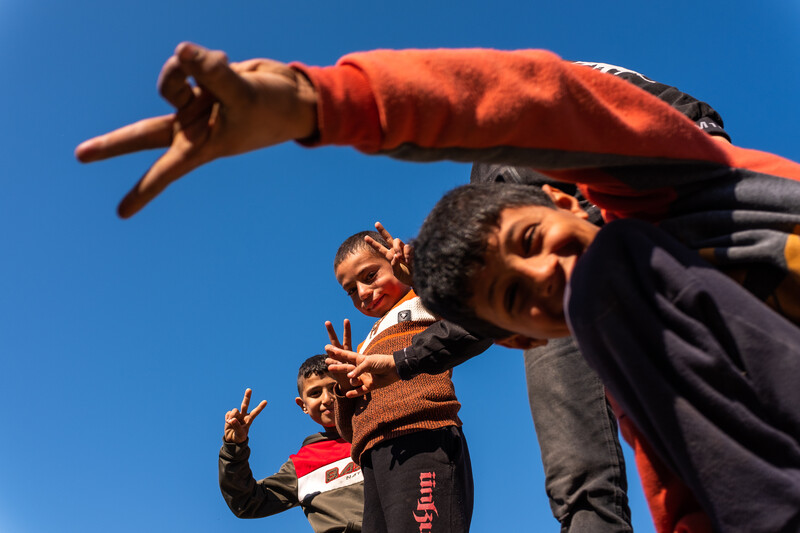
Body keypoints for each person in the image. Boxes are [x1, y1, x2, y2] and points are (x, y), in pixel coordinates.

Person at [75, 43, 800, 531]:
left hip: (426, 437)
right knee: (580, 468)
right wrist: (377, 367)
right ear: (516, 331)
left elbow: (527, 105)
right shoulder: (626, 354)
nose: (543, 273)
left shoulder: (673, 197)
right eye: (516, 298)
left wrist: (315, 104)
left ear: (567, 199)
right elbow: (699, 488)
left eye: (531, 239)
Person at [326, 229, 473, 533]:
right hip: (374, 457)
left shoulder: (421, 300)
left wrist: (420, 278)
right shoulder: (366, 344)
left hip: (421, 438)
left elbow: (467, 314)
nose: (363, 293)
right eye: (351, 290)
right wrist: (344, 390)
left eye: (369, 276)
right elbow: (347, 431)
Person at [218, 356, 364, 532]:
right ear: (303, 405)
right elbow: (246, 501)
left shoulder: (378, 433)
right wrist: (233, 448)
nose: (327, 399)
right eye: (315, 393)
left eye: (334, 388)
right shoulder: (302, 465)